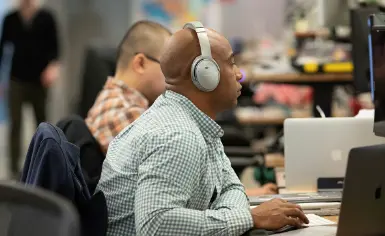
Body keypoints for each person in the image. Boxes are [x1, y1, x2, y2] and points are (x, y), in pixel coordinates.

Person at [96, 22, 308, 235]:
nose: (239, 74)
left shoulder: (196, 122)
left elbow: (231, 188)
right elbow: (155, 225)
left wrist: (232, 216)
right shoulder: (177, 135)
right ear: (205, 74)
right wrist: (250, 217)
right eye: (231, 63)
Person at [85, 20, 171, 154]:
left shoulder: (114, 100)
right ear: (140, 63)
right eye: (168, 65)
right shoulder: (124, 112)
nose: (173, 75)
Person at [0, 0, 59, 177]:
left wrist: (53, 67)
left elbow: (55, 48)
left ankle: (44, 164)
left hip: (39, 80)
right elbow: (3, 50)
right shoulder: (10, 19)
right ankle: (13, 168)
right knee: (15, 124)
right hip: (16, 79)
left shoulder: (46, 17)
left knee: (42, 123)